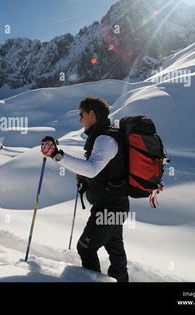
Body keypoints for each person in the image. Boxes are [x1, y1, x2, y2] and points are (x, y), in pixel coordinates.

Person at [40, 96, 129, 282]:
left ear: (92, 114)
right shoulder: (105, 134)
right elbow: (99, 170)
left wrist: (57, 155)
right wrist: (86, 177)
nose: (80, 119)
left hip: (109, 207)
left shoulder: (105, 139)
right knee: (116, 251)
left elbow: (92, 168)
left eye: (81, 114)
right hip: (114, 204)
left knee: (85, 247)